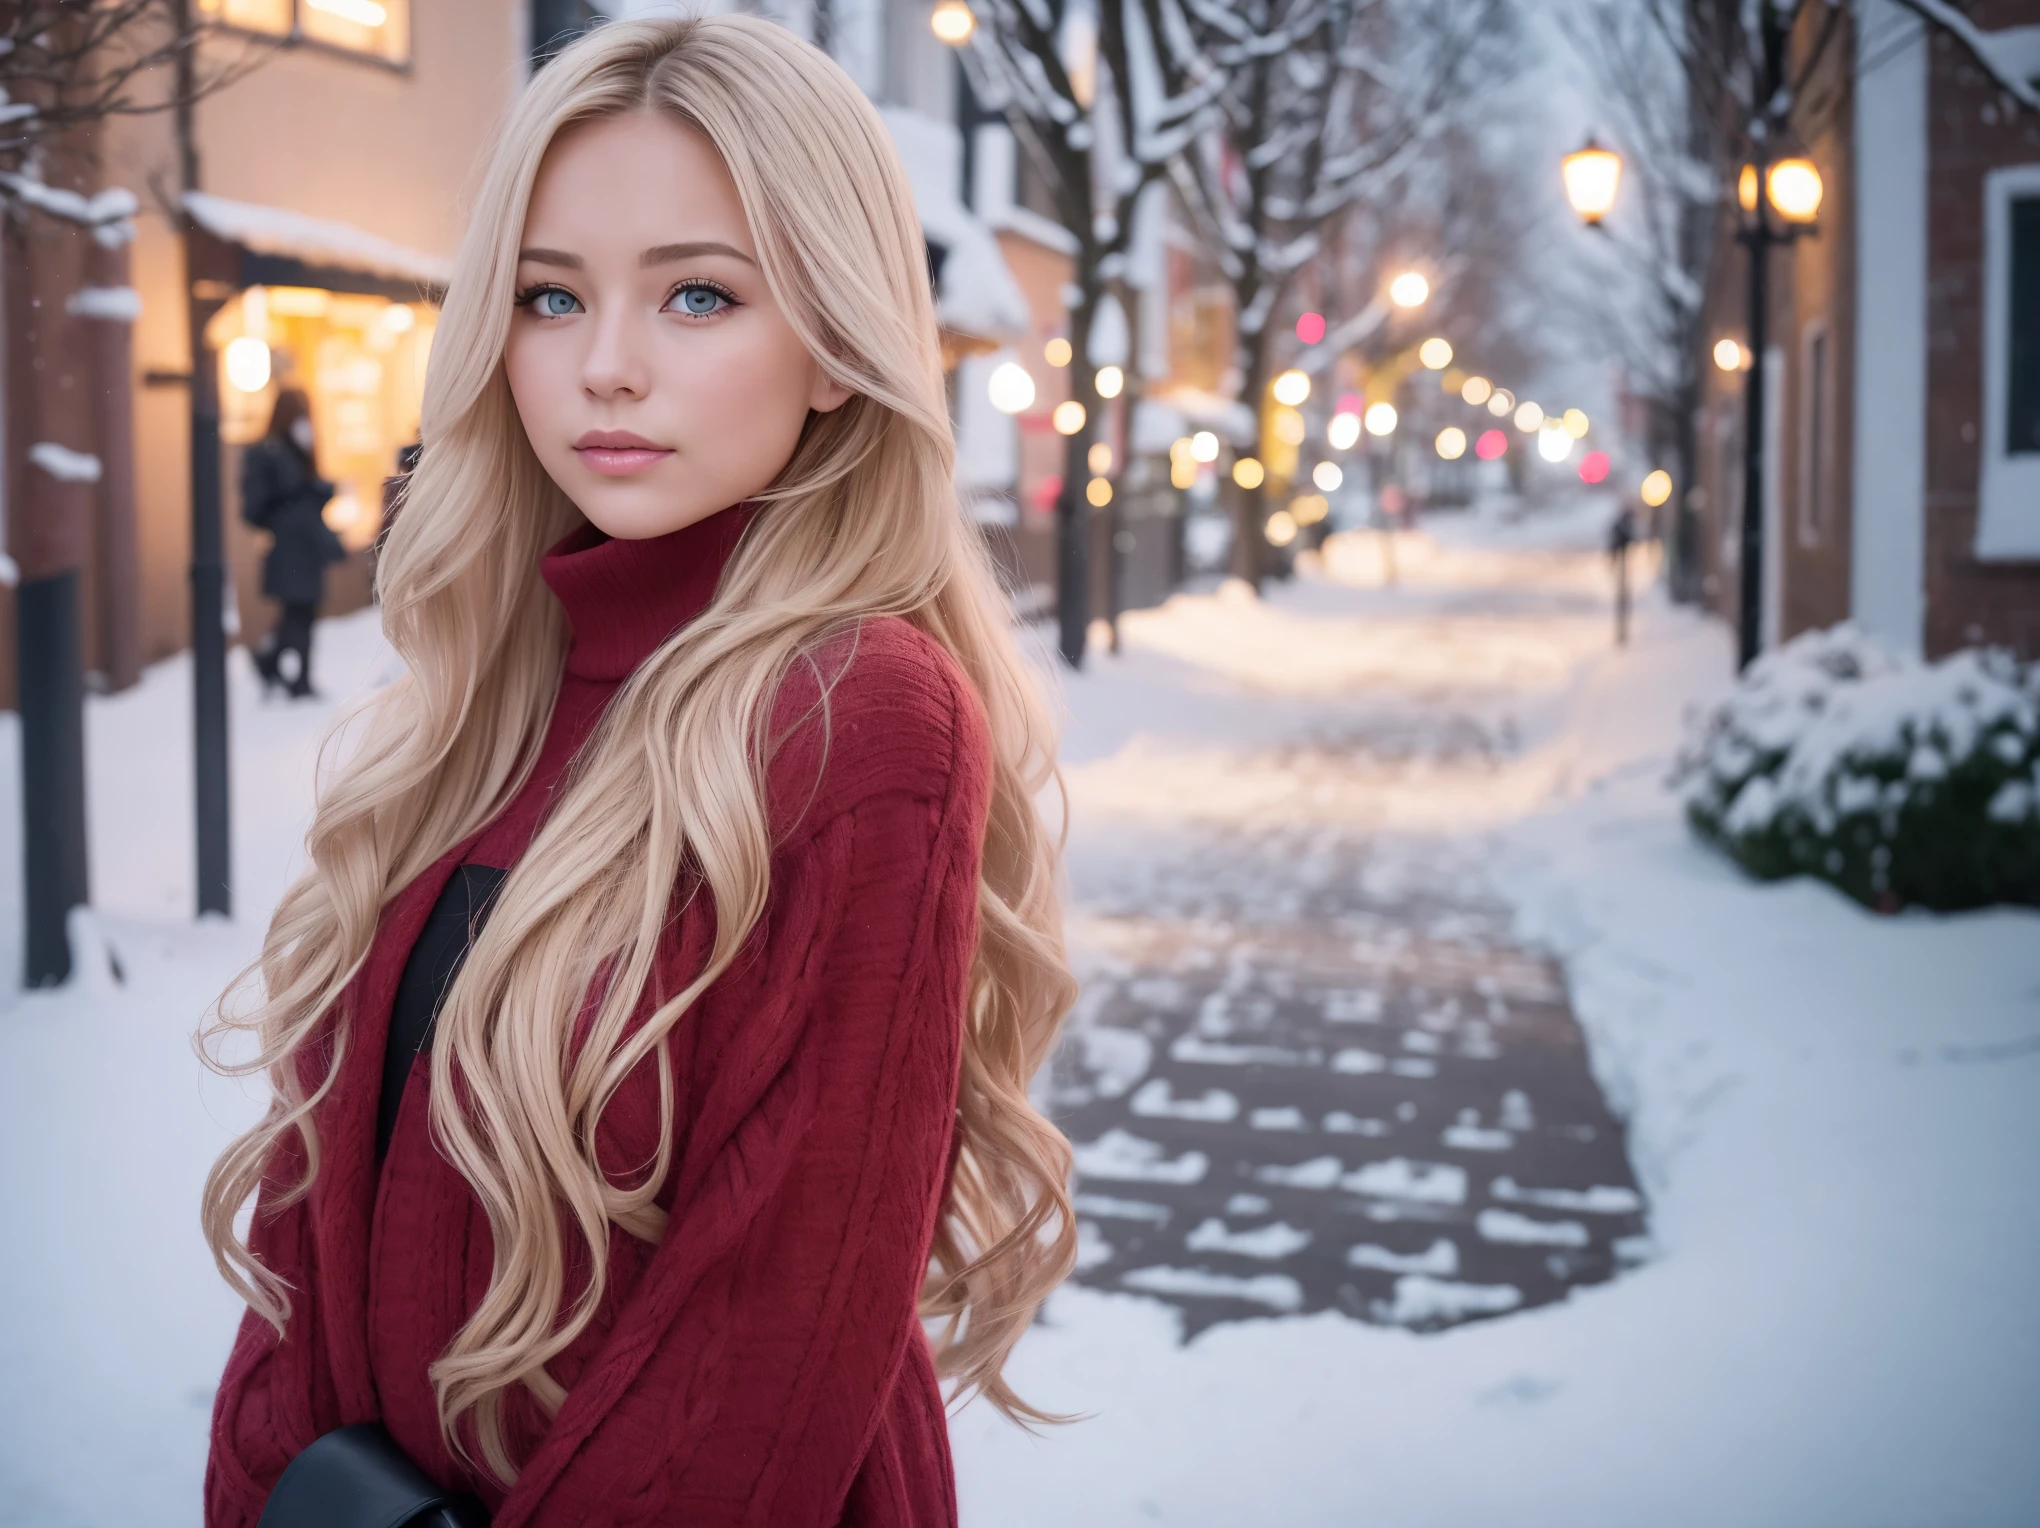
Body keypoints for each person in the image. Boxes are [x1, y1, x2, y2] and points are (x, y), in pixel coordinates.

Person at [198, 16, 1077, 1528]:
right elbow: (311, 1233)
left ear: (833, 348)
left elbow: (756, 1363)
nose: (606, 367)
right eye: (551, 295)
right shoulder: (499, 685)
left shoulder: (857, 719)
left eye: (697, 294)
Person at [240, 388, 347, 699]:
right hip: (289, 547)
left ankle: (277, 666)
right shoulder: (269, 452)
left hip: (305, 546)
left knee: (303, 613)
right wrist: (304, 498)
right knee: (297, 612)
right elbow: (261, 506)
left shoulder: (298, 449)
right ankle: (288, 673)